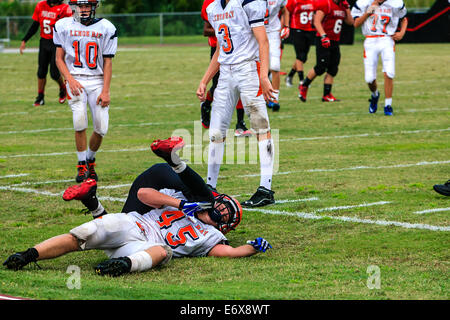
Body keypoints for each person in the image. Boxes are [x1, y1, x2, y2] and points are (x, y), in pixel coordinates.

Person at [3, 137, 272, 277]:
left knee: (162, 252)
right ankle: (27, 255)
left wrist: (251, 248)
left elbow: (228, 251)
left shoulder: (211, 236)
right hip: (136, 223)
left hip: (142, 246)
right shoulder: (188, 199)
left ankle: (120, 264)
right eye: (221, 206)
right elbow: (144, 193)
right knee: (82, 235)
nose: (218, 211)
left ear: (223, 226)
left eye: (223, 215)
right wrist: (180, 203)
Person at [197, 0, 277, 208]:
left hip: (248, 69)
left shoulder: (248, 2)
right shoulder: (213, 8)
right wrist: (205, 80)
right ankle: (210, 187)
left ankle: (265, 189)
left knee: (261, 128)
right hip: (225, 73)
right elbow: (220, 50)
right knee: (216, 132)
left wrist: (263, 76)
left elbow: (263, 42)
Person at [53, 0, 118, 183]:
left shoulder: (106, 27)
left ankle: (90, 159)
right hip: (75, 77)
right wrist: (70, 79)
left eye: (87, 6)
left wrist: (106, 90)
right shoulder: (63, 25)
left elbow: (108, 62)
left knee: (101, 127)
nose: (84, 9)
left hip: (97, 80)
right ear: (74, 7)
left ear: (94, 7)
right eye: (80, 6)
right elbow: (59, 58)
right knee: (79, 121)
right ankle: (81, 165)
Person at [200, 0, 252, 137]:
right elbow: (206, 30)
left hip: (241, 53)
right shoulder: (211, 4)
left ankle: (240, 123)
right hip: (221, 50)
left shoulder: (242, 3)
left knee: (240, 86)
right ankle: (206, 104)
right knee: (217, 87)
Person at [351, 0, 408, 116]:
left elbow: (404, 18)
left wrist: (402, 32)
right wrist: (370, 10)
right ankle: (375, 95)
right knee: (369, 79)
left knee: (389, 72)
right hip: (370, 40)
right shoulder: (364, 2)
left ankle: (388, 105)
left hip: (387, 39)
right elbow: (356, 23)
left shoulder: (396, 3)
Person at [298, 0, 354, 102]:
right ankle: (304, 85)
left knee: (333, 68)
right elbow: (316, 21)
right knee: (321, 67)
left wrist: (347, 8)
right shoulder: (326, 3)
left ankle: (326, 95)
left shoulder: (342, 5)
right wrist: (324, 36)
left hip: (335, 40)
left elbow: (350, 22)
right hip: (323, 39)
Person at [20, 0, 72, 107]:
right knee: (41, 72)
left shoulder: (65, 8)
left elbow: (69, 28)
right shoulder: (41, 5)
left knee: (54, 73)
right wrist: (25, 40)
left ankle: (62, 88)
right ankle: (40, 97)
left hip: (57, 43)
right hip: (44, 42)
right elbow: (35, 25)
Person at [284, 0, 316, 87]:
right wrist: (286, 25)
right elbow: (286, 10)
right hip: (297, 29)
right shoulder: (294, 1)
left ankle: (290, 76)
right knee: (300, 56)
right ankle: (302, 80)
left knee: (303, 58)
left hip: (309, 30)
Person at [265, 0, 290, 112]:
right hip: (255, 32)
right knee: (257, 67)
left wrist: (286, 26)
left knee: (275, 66)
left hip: (273, 32)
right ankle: (262, 98)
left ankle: (275, 99)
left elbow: (285, 10)